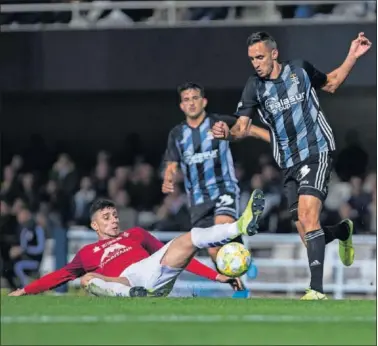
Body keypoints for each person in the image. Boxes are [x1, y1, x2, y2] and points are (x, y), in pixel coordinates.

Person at [211, 31, 372, 300]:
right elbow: (242, 128)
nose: (256, 63)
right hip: (289, 162)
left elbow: (331, 84)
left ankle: (317, 291)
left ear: (274, 54)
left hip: (317, 150)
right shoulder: (254, 86)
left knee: (309, 218)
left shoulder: (300, 69)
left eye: (260, 57)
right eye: (251, 59)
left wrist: (352, 56)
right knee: (306, 232)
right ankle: (342, 230)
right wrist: (227, 134)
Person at [9, 193, 265, 297]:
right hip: (125, 282)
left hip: (153, 268)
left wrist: (215, 276)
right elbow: (60, 275)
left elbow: (181, 255)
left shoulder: (136, 234)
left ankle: (239, 226)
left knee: (189, 238)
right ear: (94, 226)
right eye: (106, 218)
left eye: (114, 215)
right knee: (86, 279)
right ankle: (132, 295)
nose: (113, 220)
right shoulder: (87, 253)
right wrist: (26, 290)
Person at [162, 82, 269, 268]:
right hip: (197, 199)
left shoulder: (218, 123)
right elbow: (172, 164)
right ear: (181, 106)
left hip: (223, 189)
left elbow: (249, 129)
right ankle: (240, 285)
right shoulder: (177, 134)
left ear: (204, 101)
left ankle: (242, 253)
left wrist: (279, 142)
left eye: (195, 98)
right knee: (213, 251)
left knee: (221, 230)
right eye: (186, 100)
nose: (191, 103)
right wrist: (168, 178)